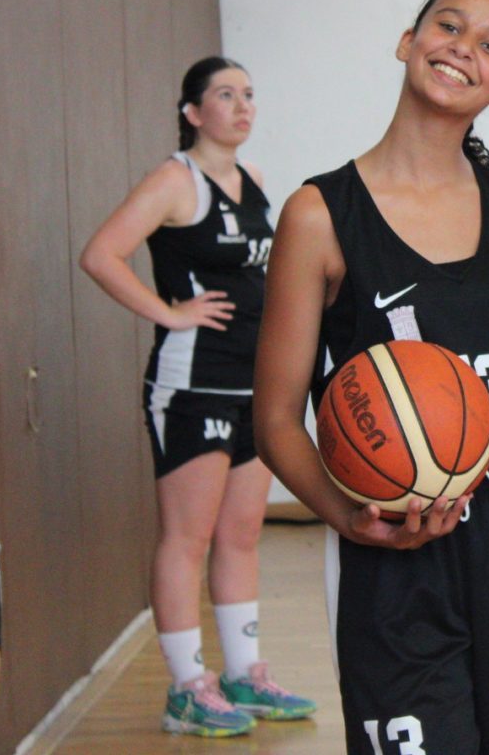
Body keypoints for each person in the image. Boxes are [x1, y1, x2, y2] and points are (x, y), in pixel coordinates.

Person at [253, 0, 489, 755]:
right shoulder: (319, 215)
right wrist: (347, 517)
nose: (461, 49)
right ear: (408, 42)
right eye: (448, 26)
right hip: (396, 545)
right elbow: (274, 418)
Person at [80, 57, 314, 736]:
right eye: (225, 95)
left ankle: (244, 674)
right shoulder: (173, 180)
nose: (242, 107)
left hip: (253, 383)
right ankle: (187, 687)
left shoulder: (253, 181)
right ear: (192, 112)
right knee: (189, 537)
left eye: (249, 95)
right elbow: (101, 254)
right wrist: (169, 312)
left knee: (241, 534)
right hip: (193, 384)